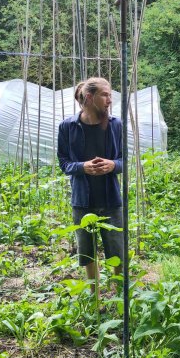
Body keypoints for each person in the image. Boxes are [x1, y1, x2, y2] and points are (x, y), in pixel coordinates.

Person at [57, 77, 123, 293]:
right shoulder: (68, 127)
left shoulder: (115, 125)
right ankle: (94, 297)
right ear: (89, 97)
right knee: (87, 252)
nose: (109, 100)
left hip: (111, 199)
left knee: (117, 250)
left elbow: (124, 161)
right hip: (82, 201)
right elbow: (64, 163)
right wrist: (82, 167)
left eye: (110, 95)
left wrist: (113, 165)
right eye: (105, 95)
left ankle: (120, 294)